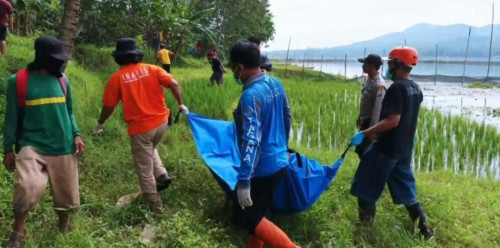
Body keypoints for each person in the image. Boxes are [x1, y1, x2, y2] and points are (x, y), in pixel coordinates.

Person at [2, 36, 85, 248]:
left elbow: (69, 112)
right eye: (57, 59)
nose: (61, 63)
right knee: (27, 187)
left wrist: (76, 134)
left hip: (63, 145)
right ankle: (19, 229)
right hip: (32, 146)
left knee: (68, 199)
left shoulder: (63, 81)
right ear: (43, 59)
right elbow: (11, 118)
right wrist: (8, 149)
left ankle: (63, 228)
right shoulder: (18, 81)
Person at [349, 47, 433, 240]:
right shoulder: (416, 88)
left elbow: (393, 120)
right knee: (407, 190)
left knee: (364, 185)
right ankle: (425, 231)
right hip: (403, 149)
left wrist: (365, 132)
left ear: (398, 64)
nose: (388, 66)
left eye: (390, 63)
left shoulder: (396, 88)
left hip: (385, 149)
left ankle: (365, 228)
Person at [95, 38, 188, 212]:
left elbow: (109, 106)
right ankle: (161, 175)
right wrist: (181, 104)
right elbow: (173, 83)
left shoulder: (117, 78)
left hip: (141, 129)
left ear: (119, 58)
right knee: (151, 148)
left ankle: (154, 205)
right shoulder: (152, 69)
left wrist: (100, 123)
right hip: (162, 123)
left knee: (143, 167)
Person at [229, 40, 298, 248]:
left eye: (232, 67)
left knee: (245, 216)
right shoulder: (275, 83)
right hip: (279, 161)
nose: (233, 72)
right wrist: (282, 148)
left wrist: (244, 180)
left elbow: (252, 140)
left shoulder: (250, 96)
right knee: (261, 212)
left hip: (262, 168)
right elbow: (287, 116)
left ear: (240, 67)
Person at [355, 54, 386, 157]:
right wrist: (360, 116)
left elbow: (377, 109)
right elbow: (366, 103)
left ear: (372, 66)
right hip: (365, 120)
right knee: (360, 149)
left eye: (365, 64)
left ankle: (369, 172)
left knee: (367, 151)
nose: (362, 66)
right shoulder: (369, 80)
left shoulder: (379, 85)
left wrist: (372, 131)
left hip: (371, 123)